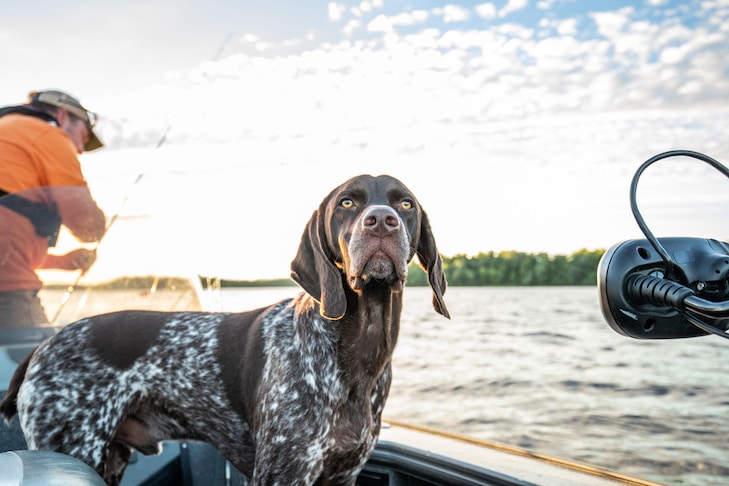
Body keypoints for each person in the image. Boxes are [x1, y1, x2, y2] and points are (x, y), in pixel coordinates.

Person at [0, 90, 107, 329]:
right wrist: (99, 224)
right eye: (83, 136)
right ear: (62, 115)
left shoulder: (9, 133)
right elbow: (86, 226)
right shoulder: (45, 132)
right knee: (36, 361)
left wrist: (60, 262)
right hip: (7, 291)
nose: (79, 149)